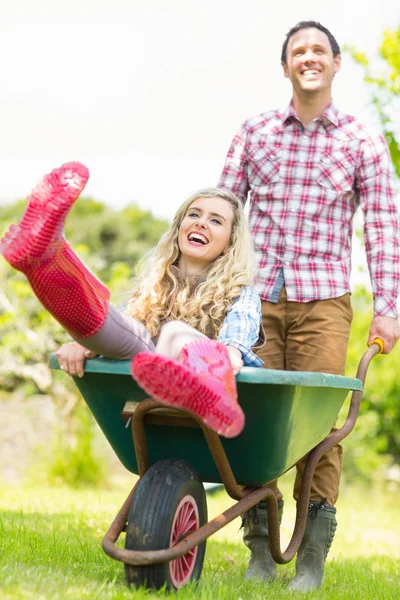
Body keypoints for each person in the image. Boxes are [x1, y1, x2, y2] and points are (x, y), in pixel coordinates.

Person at [218, 20, 400, 591]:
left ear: (336, 63)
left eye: (319, 50)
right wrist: (206, 292)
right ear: (286, 67)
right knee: (254, 423)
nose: (309, 58)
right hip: (257, 303)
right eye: (299, 51)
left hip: (325, 303)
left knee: (321, 428)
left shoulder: (361, 140)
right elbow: (221, 211)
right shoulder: (254, 133)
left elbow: (384, 229)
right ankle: (261, 553)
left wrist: (389, 306)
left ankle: (313, 557)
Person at [1, 162, 264, 439]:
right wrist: (85, 344)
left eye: (215, 220)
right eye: (194, 214)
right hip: (153, 389)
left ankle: (211, 391)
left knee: (173, 332)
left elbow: (239, 335)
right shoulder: (154, 287)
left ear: (230, 243)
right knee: (121, 330)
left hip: (216, 395)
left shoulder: (240, 292)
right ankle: (49, 258)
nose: (201, 222)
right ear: (178, 228)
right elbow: (122, 330)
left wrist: (231, 354)